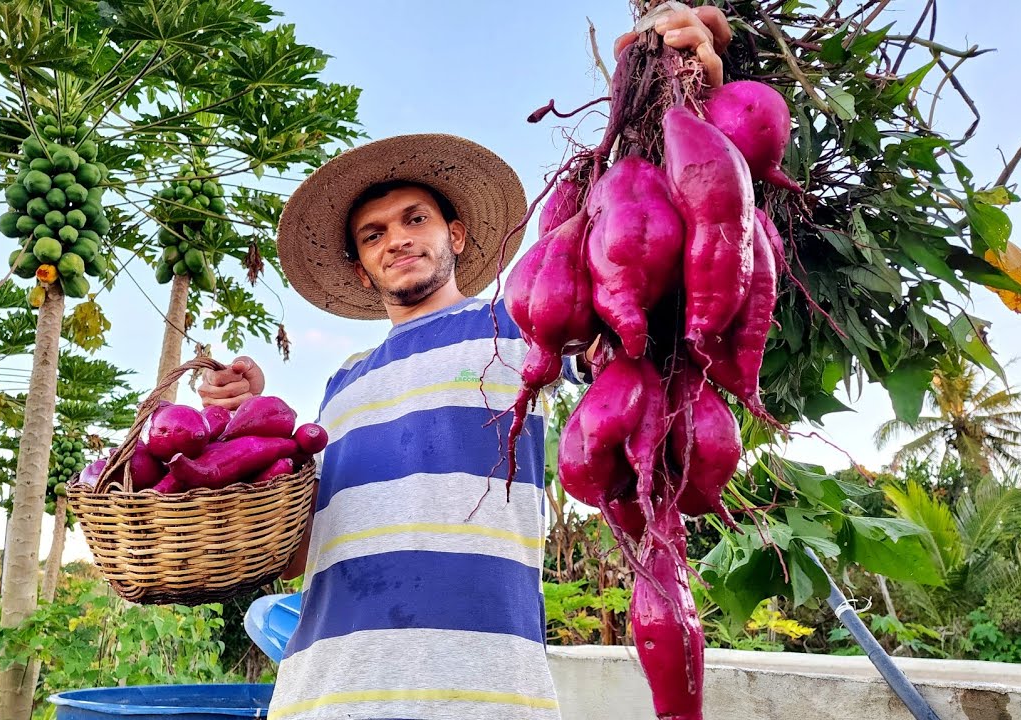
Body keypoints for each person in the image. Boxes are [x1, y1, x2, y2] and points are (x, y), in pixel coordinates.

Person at [198, 8, 731, 719]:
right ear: (361, 270)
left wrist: (694, 101)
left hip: (481, 697)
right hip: (322, 698)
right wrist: (243, 429)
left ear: (454, 233)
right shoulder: (340, 383)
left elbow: (659, 293)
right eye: (373, 234)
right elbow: (301, 551)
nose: (397, 240)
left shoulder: (520, 322)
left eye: (415, 219)